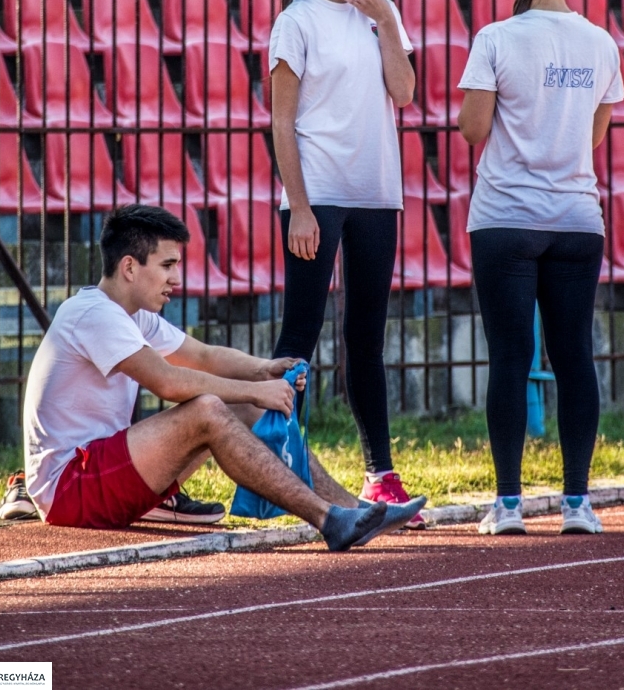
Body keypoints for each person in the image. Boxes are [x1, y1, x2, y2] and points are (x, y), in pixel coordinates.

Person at [23, 203, 424, 549]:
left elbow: (203, 355)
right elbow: (169, 382)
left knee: (236, 405)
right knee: (208, 410)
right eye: (167, 266)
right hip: (71, 489)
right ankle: (327, 519)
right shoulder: (94, 314)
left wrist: (264, 370)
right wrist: (257, 390)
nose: (176, 279)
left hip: (101, 469)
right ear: (129, 267)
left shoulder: (134, 316)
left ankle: (355, 511)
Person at [457, 0, 624, 537]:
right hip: (578, 218)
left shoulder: (497, 37)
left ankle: (507, 505)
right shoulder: (600, 42)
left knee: (510, 356)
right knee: (575, 354)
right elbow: (594, 133)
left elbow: (473, 130)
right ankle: (578, 502)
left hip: (505, 216)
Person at [269, 0, 425, 527]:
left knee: (366, 337)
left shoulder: (378, 14)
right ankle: (277, 472)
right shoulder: (296, 20)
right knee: (299, 337)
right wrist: (300, 207)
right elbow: (282, 120)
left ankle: (380, 475)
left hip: (376, 193)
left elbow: (406, 93)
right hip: (319, 195)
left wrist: (386, 18)